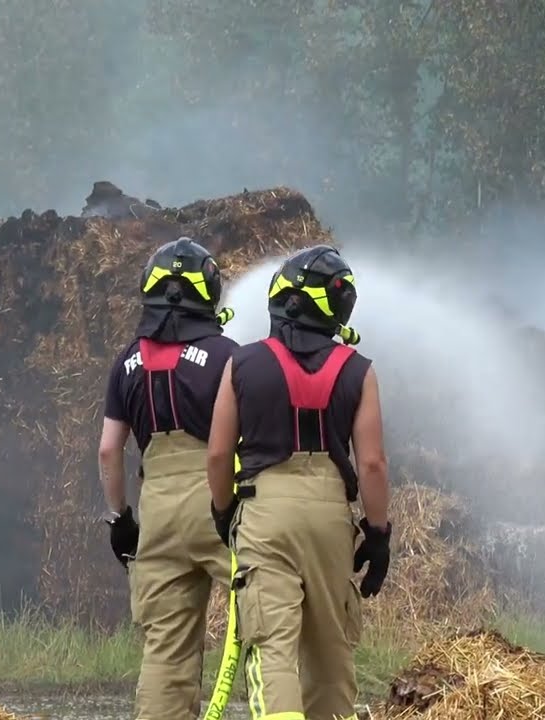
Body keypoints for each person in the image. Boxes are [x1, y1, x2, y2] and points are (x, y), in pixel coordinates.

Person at [205, 244, 392, 720]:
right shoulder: (359, 371)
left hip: (265, 515)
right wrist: (378, 535)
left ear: (287, 301)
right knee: (331, 654)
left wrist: (224, 512)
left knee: (273, 647)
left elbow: (219, 453)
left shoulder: (242, 364)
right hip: (330, 519)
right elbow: (372, 464)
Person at [98, 236, 238, 720]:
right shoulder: (228, 355)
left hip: (156, 510)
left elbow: (108, 449)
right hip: (218, 501)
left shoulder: (126, 362)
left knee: (166, 649)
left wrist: (120, 519)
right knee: (264, 619)